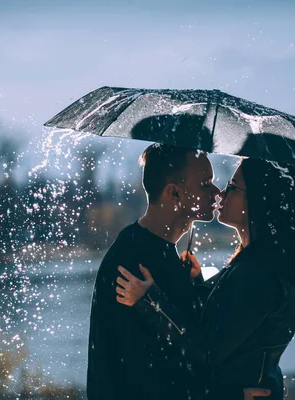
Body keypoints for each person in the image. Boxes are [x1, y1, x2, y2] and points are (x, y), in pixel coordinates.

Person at [116, 158, 295, 400]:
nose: (221, 193)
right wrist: (198, 280)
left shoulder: (259, 273)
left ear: (259, 200)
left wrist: (151, 302)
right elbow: (229, 326)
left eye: (233, 187)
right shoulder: (263, 264)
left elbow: (207, 349)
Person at [86, 143, 222, 400]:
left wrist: (194, 284)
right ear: (175, 194)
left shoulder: (162, 251)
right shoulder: (134, 260)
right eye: (205, 184)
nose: (217, 192)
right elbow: (143, 369)